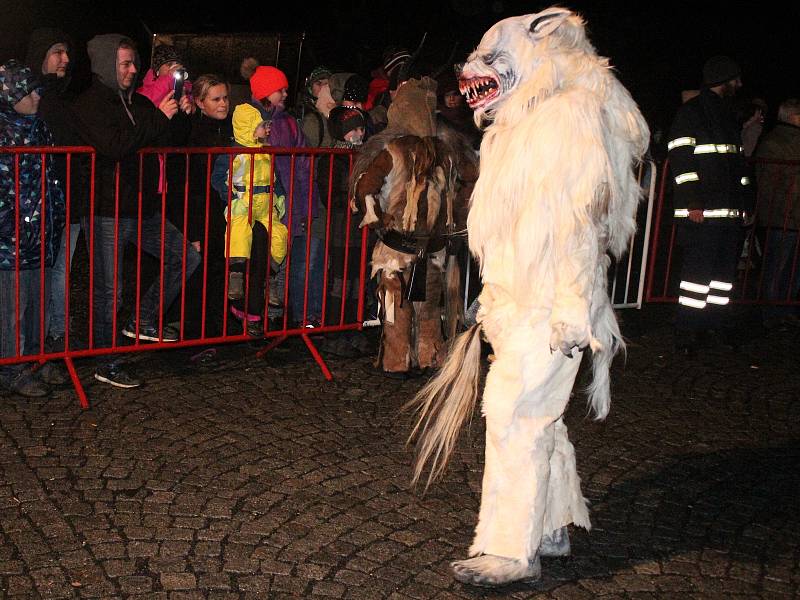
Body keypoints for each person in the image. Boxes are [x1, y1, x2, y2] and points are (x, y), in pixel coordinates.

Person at [407, 8, 649, 586]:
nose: (477, 71)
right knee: (541, 416)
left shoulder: (568, 119)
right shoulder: (512, 128)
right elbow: (509, 228)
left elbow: (581, 222)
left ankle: (510, 548)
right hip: (518, 302)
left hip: (551, 304)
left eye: (495, 59)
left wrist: (570, 304)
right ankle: (552, 524)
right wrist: (493, 298)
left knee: (516, 413)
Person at [71, 34, 200, 388]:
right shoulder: (91, 103)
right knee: (109, 290)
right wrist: (158, 118)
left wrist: (181, 116)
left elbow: (165, 140)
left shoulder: (132, 101)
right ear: (105, 64)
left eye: (133, 63)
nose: (132, 70)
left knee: (184, 256)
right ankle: (105, 361)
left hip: (141, 206)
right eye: (124, 63)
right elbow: (117, 145)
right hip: (107, 208)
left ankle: (143, 319)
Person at [350, 77, 472, 379]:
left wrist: (379, 219)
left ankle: (397, 362)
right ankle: (428, 357)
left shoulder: (394, 149)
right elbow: (469, 181)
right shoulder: (446, 150)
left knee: (396, 307)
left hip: (398, 247)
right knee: (426, 307)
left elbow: (364, 188)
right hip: (431, 248)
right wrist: (453, 221)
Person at [667, 55, 754, 355]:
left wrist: (745, 204)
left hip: (728, 215)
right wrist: (693, 202)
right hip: (701, 214)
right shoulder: (692, 114)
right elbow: (681, 158)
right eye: (735, 79)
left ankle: (712, 324)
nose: (739, 84)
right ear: (723, 80)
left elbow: (739, 166)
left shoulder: (727, 115)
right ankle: (687, 330)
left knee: (722, 278)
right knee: (696, 277)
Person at [239, 59, 325, 328]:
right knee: (271, 264)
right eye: (281, 90)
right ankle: (267, 319)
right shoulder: (257, 125)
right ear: (266, 92)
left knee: (288, 263)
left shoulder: (288, 123)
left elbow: (303, 162)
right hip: (271, 203)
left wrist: (304, 201)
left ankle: (286, 319)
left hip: (294, 200)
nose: (286, 94)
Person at [0, 60, 65, 397]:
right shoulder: (4, 130)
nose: (38, 95)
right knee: (13, 308)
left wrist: (54, 217)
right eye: (30, 90)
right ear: (11, 92)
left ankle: (36, 360)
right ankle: (11, 368)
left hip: (42, 232)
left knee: (38, 303)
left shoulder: (38, 127)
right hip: (11, 240)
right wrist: (12, 227)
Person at [25, 27, 77, 385]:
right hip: (33, 204)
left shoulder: (71, 95)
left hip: (66, 201)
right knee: (35, 278)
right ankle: (32, 349)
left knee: (58, 274)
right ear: (41, 54)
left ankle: (53, 344)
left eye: (66, 52)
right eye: (58, 51)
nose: (65, 59)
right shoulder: (27, 96)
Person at [216, 101, 289, 335]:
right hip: (243, 203)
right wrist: (231, 197)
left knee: (279, 236)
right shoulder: (235, 154)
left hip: (265, 206)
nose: (267, 129)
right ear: (248, 128)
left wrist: (279, 199)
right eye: (262, 126)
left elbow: (275, 179)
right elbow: (218, 178)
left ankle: (272, 279)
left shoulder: (266, 152)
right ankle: (235, 275)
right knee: (239, 231)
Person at [317, 105, 371, 357]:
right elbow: (328, 193)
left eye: (361, 128)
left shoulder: (364, 157)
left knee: (358, 281)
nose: (359, 134)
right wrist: (346, 199)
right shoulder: (333, 157)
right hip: (341, 226)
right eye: (353, 130)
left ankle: (353, 327)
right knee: (340, 281)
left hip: (360, 228)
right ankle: (333, 333)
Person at [186, 74, 233, 336]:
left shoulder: (231, 129)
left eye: (225, 97)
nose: (223, 104)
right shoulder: (195, 134)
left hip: (227, 214)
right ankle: (198, 333)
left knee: (222, 272)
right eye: (216, 99)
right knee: (201, 275)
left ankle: (219, 329)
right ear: (201, 102)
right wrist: (193, 231)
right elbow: (191, 186)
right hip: (204, 213)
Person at [755, 98, 800, 327]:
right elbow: (774, 186)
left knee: (787, 267)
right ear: (793, 116)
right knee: (779, 266)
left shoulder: (775, 140)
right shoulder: (782, 142)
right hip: (785, 217)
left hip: (785, 217)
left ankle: (780, 310)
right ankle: (772, 312)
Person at [300, 66, 335, 148]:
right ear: (310, 89)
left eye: (327, 84)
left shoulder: (339, 110)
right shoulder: (303, 112)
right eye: (318, 83)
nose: (323, 87)